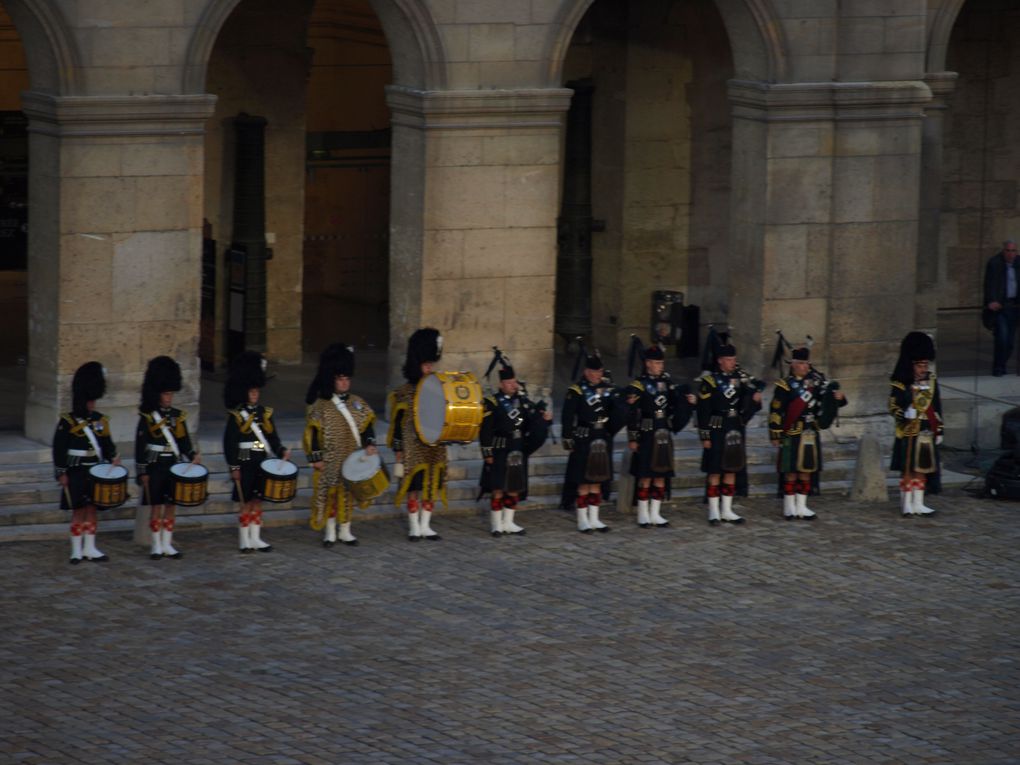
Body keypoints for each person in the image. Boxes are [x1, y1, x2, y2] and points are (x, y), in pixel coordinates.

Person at [304, 343, 378, 547]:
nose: (344, 383)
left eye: (347, 379)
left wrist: (370, 444)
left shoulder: (358, 403)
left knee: (347, 496)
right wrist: (316, 458)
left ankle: (345, 530)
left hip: (351, 457)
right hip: (330, 459)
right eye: (340, 379)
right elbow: (313, 434)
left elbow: (366, 427)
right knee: (330, 495)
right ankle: (329, 531)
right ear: (332, 379)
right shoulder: (320, 406)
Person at [478, 348, 552, 537]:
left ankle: (509, 522)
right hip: (500, 448)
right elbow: (485, 430)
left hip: (517, 449)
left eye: (514, 381)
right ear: (502, 384)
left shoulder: (523, 403)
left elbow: (530, 421)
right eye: (509, 382)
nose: (513, 385)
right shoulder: (492, 403)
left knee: (513, 488)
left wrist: (544, 418)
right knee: (498, 489)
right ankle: (496, 524)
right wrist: (487, 453)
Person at [768, 344, 847, 520]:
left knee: (806, 469)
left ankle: (802, 506)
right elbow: (775, 411)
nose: (805, 367)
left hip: (810, 432)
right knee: (791, 470)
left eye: (807, 363)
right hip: (792, 432)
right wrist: (775, 433)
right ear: (793, 364)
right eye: (801, 363)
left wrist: (839, 398)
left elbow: (828, 403)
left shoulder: (817, 383)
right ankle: (789, 507)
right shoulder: (784, 386)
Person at [53, 362, 121, 564]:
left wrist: (113, 457)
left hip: (95, 470)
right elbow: (59, 448)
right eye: (89, 401)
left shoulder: (100, 420)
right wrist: (61, 472)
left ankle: (90, 547)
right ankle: (76, 550)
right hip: (75, 470)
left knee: (92, 509)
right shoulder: (68, 421)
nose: (92, 404)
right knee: (78, 510)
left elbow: (106, 443)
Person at [624, 337, 694, 528]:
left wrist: (686, 402)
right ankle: (643, 513)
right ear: (647, 363)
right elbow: (632, 413)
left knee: (660, 474)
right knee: (645, 474)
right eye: (656, 363)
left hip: (663, 430)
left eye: (661, 362)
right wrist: (633, 437)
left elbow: (674, 402)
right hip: (646, 431)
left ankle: (655, 513)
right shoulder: (638, 385)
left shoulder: (667, 381)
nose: (659, 366)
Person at [224, 351, 290, 553]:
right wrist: (234, 466)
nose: (254, 395)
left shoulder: (265, 413)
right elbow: (229, 443)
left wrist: (281, 451)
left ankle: (256, 537)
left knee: (257, 501)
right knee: (245, 503)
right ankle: (244, 540)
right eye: (251, 392)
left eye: (256, 391)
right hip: (244, 462)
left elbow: (272, 437)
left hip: (260, 460)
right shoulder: (237, 416)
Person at [135, 356, 200, 560]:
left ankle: (167, 543)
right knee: (156, 505)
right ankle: (156, 545)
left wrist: (191, 455)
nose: (168, 398)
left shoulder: (177, 416)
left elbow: (183, 441)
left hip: (172, 464)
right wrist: (142, 471)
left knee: (171, 505)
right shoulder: (147, 418)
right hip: (155, 465)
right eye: (165, 394)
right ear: (158, 393)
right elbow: (140, 446)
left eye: (171, 394)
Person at [696, 333, 764, 525]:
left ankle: (727, 509)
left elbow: (749, 396)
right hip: (717, 427)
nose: (732, 362)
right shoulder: (709, 382)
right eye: (728, 359)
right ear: (719, 361)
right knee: (715, 470)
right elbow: (702, 411)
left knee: (731, 468)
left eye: (734, 359)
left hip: (735, 426)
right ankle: (714, 511)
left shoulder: (740, 378)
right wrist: (705, 435)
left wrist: (755, 399)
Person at [560, 343, 626, 533]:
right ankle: (583, 520)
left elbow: (617, 410)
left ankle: (595, 518)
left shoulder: (608, 389)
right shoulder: (576, 391)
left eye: (597, 371)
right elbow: (567, 416)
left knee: (597, 479)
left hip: (601, 436)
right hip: (582, 436)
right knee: (583, 480)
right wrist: (568, 438)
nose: (594, 374)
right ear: (585, 371)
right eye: (591, 371)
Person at [388, 328, 446, 541]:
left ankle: (426, 525)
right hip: (412, 447)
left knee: (431, 486)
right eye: (426, 365)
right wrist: (398, 450)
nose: (430, 368)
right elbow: (396, 425)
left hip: (434, 445)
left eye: (431, 365)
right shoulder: (403, 393)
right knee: (412, 487)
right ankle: (414, 526)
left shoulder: (439, 389)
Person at [889, 331, 943, 516]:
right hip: (908, 430)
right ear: (911, 365)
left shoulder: (932, 382)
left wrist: (939, 430)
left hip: (926, 430)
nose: (923, 368)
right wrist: (906, 411)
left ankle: (918, 502)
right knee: (908, 468)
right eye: (920, 365)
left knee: (922, 468)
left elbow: (936, 406)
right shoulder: (901, 383)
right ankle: (907, 502)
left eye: (925, 364)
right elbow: (892, 405)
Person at [983, 239, 1019, 376]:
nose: (1011, 254)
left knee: (1010, 342)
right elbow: (989, 284)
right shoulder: (995, 263)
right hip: (1001, 307)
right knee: (1002, 339)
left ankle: (1002, 364)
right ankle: (998, 368)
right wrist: (991, 300)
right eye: (1008, 251)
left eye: (1013, 251)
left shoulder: (1018, 263)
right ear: (1003, 251)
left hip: (1014, 306)